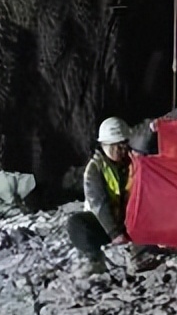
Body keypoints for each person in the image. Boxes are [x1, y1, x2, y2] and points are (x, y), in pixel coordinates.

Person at [67, 117, 162, 275]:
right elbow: (99, 203)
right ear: (105, 145)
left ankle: (140, 253)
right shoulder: (95, 169)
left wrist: (152, 132)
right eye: (117, 146)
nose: (122, 150)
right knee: (76, 224)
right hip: (105, 224)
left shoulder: (130, 162)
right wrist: (114, 233)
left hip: (128, 220)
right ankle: (95, 259)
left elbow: (144, 150)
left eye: (123, 144)